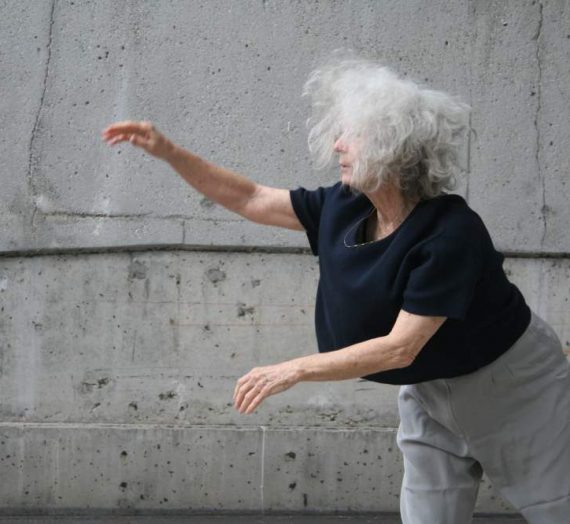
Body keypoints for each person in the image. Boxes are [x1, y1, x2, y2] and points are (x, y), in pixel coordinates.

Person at [101, 51, 570, 523]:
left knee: (557, 507)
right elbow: (250, 198)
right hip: (428, 387)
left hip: (512, 385)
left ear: (394, 145)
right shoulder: (344, 206)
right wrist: (170, 153)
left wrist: (294, 369)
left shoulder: (451, 233)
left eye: (352, 134)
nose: (338, 145)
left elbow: (399, 348)